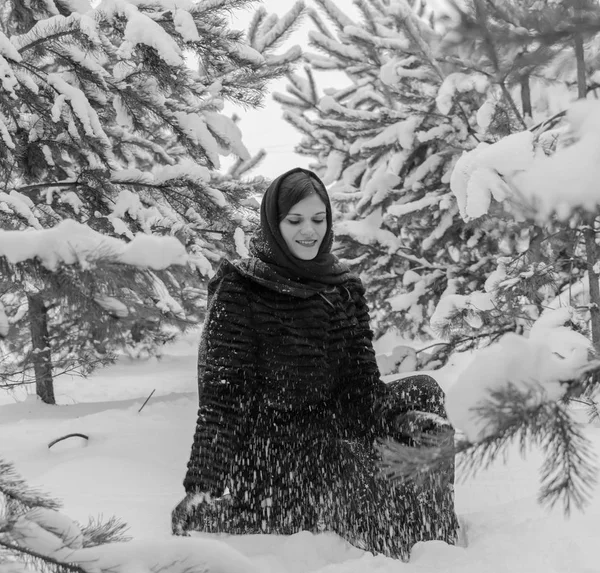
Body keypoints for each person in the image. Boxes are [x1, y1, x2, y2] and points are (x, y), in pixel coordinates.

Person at [172, 167, 458, 560]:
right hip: (274, 452)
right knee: (355, 462)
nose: (309, 231)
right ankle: (400, 544)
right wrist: (202, 486)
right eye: (295, 220)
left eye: (318, 219)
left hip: (331, 425)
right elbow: (223, 402)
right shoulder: (240, 287)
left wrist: (403, 419)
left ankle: (436, 540)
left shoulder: (343, 287)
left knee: (422, 392)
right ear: (274, 223)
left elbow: (361, 389)